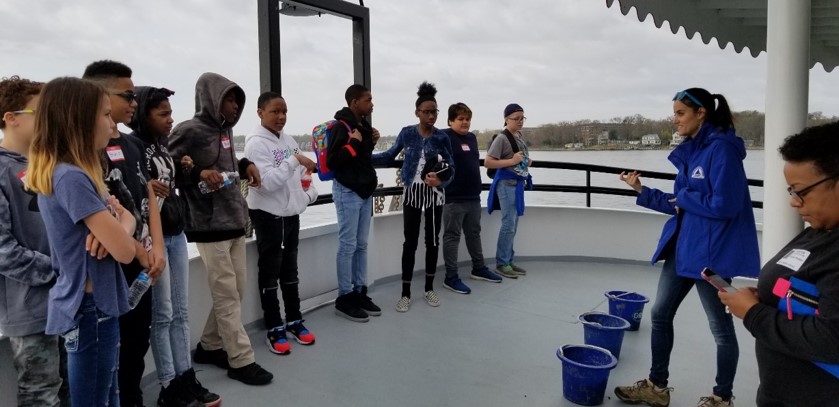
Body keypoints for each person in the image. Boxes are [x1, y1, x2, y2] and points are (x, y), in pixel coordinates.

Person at [614, 88, 760, 407]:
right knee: (661, 313)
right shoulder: (694, 150)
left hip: (711, 259)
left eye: (680, 113)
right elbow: (681, 204)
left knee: (720, 328)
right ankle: (656, 386)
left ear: (701, 113)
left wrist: (685, 198)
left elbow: (726, 205)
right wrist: (641, 190)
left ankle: (722, 398)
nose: (675, 119)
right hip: (683, 251)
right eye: (675, 113)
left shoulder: (721, 151)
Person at [27, 76, 138, 406]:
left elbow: (125, 224)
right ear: (79, 120)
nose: (111, 121)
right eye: (105, 114)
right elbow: (126, 249)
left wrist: (121, 225)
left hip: (94, 305)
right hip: (91, 309)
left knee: (108, 394)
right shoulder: (72, 177)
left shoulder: (75, 174)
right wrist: (121, 227)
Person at [719, 122, 839, 406]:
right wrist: (769, 298)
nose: (794, 203)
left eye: (801, 191)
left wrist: (754, 313)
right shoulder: (823, 229)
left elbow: (831, 341)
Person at [167, 72, 273, 386]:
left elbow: (226, 163)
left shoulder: (225, 131)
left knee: (236, 290)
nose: (235, 106)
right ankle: (240, 360)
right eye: (230, 99)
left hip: (234, 220)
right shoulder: (188, 130)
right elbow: (166, 166)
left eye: (238, 100)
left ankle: (210, 346)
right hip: (208, 224)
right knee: (227, 293)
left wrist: (244, 166)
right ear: (211, 99)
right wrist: (198, 172)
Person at [128, 86, 221, 406]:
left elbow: (171, 185)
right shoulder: (133, 146)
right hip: (152, 238)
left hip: (175, 231)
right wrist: (144, 186)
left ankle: (185, 375)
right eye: (163, 114)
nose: (170, 120)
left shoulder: (163, 146)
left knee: (180, 312)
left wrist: (188, 168)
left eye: (170, 113)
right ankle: (169, 383)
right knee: (163, 313)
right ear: (143, 114)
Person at [83, 60, 166, 407]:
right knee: (109, 350)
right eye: (127, 95)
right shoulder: (87, 150)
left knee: (137, 342)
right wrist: (138, 250)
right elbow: (103, 213)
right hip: (114, 265)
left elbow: (147, 196)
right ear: (100, 95)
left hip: (144, 263)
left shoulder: (132, 145)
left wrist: (157, 248)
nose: (134, 102)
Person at [0, 76, 70, 407]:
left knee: (73, 385)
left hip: (67, 302)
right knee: (41, 393)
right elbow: (4, 252)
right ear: (10, 118)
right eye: (39, 112)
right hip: (29, 311)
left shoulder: (52, 167)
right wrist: (61, 270)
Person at [244, 92, 319, 355]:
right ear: (260, 112)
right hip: (267, 216)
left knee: (290, 270)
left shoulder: (288, 141)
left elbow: (303, 175)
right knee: (270, 272)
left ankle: (295, 320)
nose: (281, 116)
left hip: (290, 215)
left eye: (284, 111)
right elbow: (266, 184)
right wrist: (294, 160)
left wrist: (307, 195)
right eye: (275, 111)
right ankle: (274, 326)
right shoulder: (255, 144)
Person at [373, 82, 454, 312]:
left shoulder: (442, 138)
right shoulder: (407, 133)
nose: (431, 116)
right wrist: (364, 157)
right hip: (412, 195)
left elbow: (452, 168)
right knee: (409, 243)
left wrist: (440, 180)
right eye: (426, 111)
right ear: (417, 112)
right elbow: (389, 155)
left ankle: (429, 288)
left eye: (434, 112)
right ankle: (405, 293)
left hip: (435, 197)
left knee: (432, 242)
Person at [327, 84, 382, 322]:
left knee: (361, 244)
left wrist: (370, 140)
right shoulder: (341, 127)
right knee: (347, 245)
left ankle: (360, 291)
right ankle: (345, 296)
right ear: (354, 102)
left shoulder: (362, 126)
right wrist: (354, 143)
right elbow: (333, 161)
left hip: (363, 192)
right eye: (368, 100)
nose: (372, 104)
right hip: (347, 191)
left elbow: (361, 158)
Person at [441, 102, 503, 295]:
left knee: (474, 234)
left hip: (473, 196)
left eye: (467, 119)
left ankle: (479, 268)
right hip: (453, 198)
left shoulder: (472, 138)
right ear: (451, 120)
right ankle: (451, 277)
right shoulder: (444, 137)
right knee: (452, 237)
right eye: (460, 119)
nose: (465, 122)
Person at [485, 103, 532, 279]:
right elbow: (488, 162)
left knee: (514, 224)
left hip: (517, 184)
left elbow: (519, 158)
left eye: (522, 118)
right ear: (506, 119)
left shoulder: (518, 137)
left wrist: (525, 161)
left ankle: (508, 260)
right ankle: (502, 263)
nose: (520, 121)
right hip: (506, 184)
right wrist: (512, 160)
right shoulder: (502, 139)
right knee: (508, 224)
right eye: (516, 118)